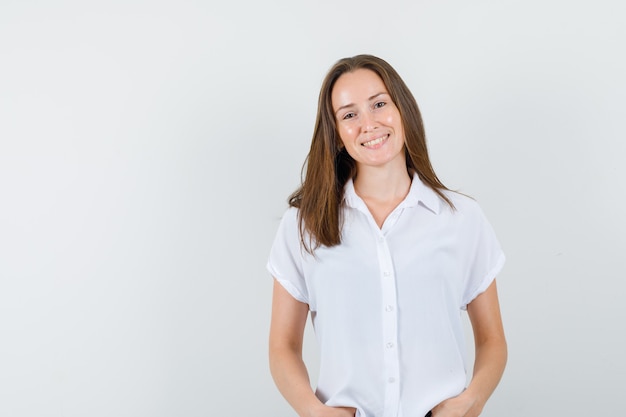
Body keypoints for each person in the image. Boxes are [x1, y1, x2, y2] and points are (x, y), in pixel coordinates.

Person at [267, 54, 507, 417]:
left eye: (379, 104)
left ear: (402, 109)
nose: (369, 123)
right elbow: (283, 345)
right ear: (335, 133)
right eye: (349, 114)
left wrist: (471, 400)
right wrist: (314, 411)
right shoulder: (304, 225)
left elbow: (492, 340)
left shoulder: (462, 218)